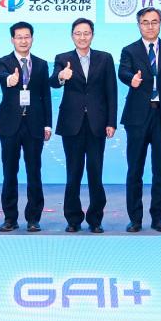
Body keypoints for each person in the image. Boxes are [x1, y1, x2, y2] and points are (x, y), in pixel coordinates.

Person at [117, 7, 161, 232]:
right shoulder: (129, 50)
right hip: (137, 117)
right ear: (139, 25)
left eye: (154, 21)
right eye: (145, 22)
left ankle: (158, 217)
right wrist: (131, 80)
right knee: (135, 169)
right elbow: (123, 72)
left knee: (160, 170)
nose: (150, 26)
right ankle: (135, 218)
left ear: (160, 24)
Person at [52, 17, 118, 233]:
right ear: (72, 36)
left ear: (92, 35)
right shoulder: (63, 58)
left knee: (95, 173)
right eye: (78, 33)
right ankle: (73, 219)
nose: (82, 37)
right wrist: (61, 76)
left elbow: (111, 92)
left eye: (86, 33)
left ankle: (95, 219)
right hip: (72, 124)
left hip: (98, 124)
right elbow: (53, 81)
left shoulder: (105, 58)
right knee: (73, 173)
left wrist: (111, 121)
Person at [0, 21, 52, 232]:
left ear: (32, 39)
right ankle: (10, 218)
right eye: (19, 37)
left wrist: (48, 124)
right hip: (9, 125)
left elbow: (45, 96)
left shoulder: (42, 64)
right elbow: (2, 77)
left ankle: (33, 218)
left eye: (27, 36)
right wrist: (11, 79)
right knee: (9, 172)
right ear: (12, 40)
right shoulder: (2, 62)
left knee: (34, 172)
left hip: (35, 125)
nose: (23, 40)